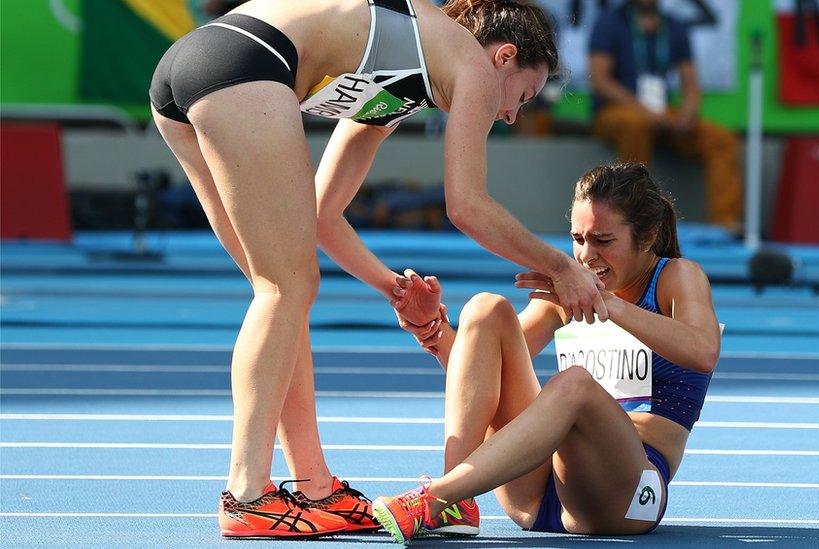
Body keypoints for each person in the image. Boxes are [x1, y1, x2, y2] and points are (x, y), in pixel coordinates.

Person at [149, 0, 608, 539]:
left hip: (187, 69)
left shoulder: (402, 78)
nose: (509, 115)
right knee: (285, 289)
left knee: (278, 293)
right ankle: (247, 492)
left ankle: (315, 487)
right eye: (523, 96)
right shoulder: (473, 67)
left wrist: (394, 288)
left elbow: (324, 214)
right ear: (503, 58)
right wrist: (561, 266)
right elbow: (467, 206)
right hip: (245, 61)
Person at [375, 161, 720, 542]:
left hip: (628, 494)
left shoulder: (677, 277)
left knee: (575, 384)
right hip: (537, 491)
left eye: (603, 241)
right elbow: (482, 371)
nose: (587, 256)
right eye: (578, 239)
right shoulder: (565, 295)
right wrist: (433, 330)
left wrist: (609, 305)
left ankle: (437, 496)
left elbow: (703, 351)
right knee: (485, 309)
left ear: (649, 235)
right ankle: (456, 502)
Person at [589, 0, 743, 232]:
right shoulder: (609, 23)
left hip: (660, 113)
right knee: (635, 126)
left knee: (722, 139)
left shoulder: (674, 26)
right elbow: (601, 81)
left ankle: (725, 226)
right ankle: (634, 221)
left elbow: (690, 83)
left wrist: (687, 113)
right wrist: (643, 110)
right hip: (617, 112)